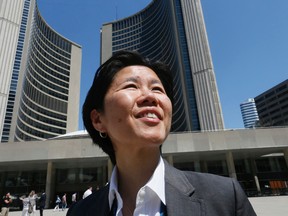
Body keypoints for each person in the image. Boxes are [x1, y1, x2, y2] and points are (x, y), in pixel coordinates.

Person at [67, 50, 256, 215]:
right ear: (98, 120)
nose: (150, 96)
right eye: (131, 86)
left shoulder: (226, 198)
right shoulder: (79, 211)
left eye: (157, 89)